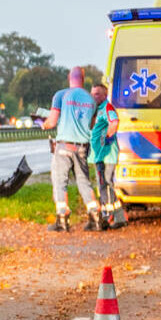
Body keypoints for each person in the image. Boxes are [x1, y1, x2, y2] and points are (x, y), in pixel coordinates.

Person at [41, 67, 101, 231]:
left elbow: (52, 122)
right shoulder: (91, 100)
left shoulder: (61, 95)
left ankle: (62, 220)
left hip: (63, 146)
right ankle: (95, 217)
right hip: (82, 147)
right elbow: (92, 125)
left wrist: (43, 124)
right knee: (83, 182)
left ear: (69, 78)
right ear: (83, 78)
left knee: (60, 182)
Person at [88, 80, 123, 229]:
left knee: (107, 181)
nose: (94, 97)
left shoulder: (107, 107)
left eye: (97, 94)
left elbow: (114, 123)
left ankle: (109, 216)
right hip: (98, 155)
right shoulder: (95, 110)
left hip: (107, 153)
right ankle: (116, 215)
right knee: (102, 183)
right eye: (92, 94)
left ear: (104, 95)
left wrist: (106, 137)